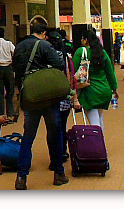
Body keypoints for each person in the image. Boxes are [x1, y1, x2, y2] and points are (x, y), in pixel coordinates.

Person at [12, 25, 68, 190]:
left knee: (28, 136)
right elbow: (59, 64)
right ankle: (59, 173)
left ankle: (21, 177)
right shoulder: (43, 45)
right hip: (47, 96)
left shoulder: (19, 46)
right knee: (55, 133)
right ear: (43, 34)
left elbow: (16, 69)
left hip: (29, 96)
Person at [73, 29, 118, 131]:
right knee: (99, 118)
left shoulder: (81, 51)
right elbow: (110, 73)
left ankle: (98, 145)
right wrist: (114, 89)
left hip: (89, 91)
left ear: (85, 40)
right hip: (104, 90)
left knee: (94, 122)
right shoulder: (103, 53)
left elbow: (73, 70)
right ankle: (101, 144)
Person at [47, 29, 79, 165]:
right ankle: (63, 152)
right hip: (64, 97)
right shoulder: (67, 58)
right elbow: (72, 78)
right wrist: (74, 97)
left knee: (51, 129)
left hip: (49, 98)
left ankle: (54, 158)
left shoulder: (45, 58)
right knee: (62, 126)